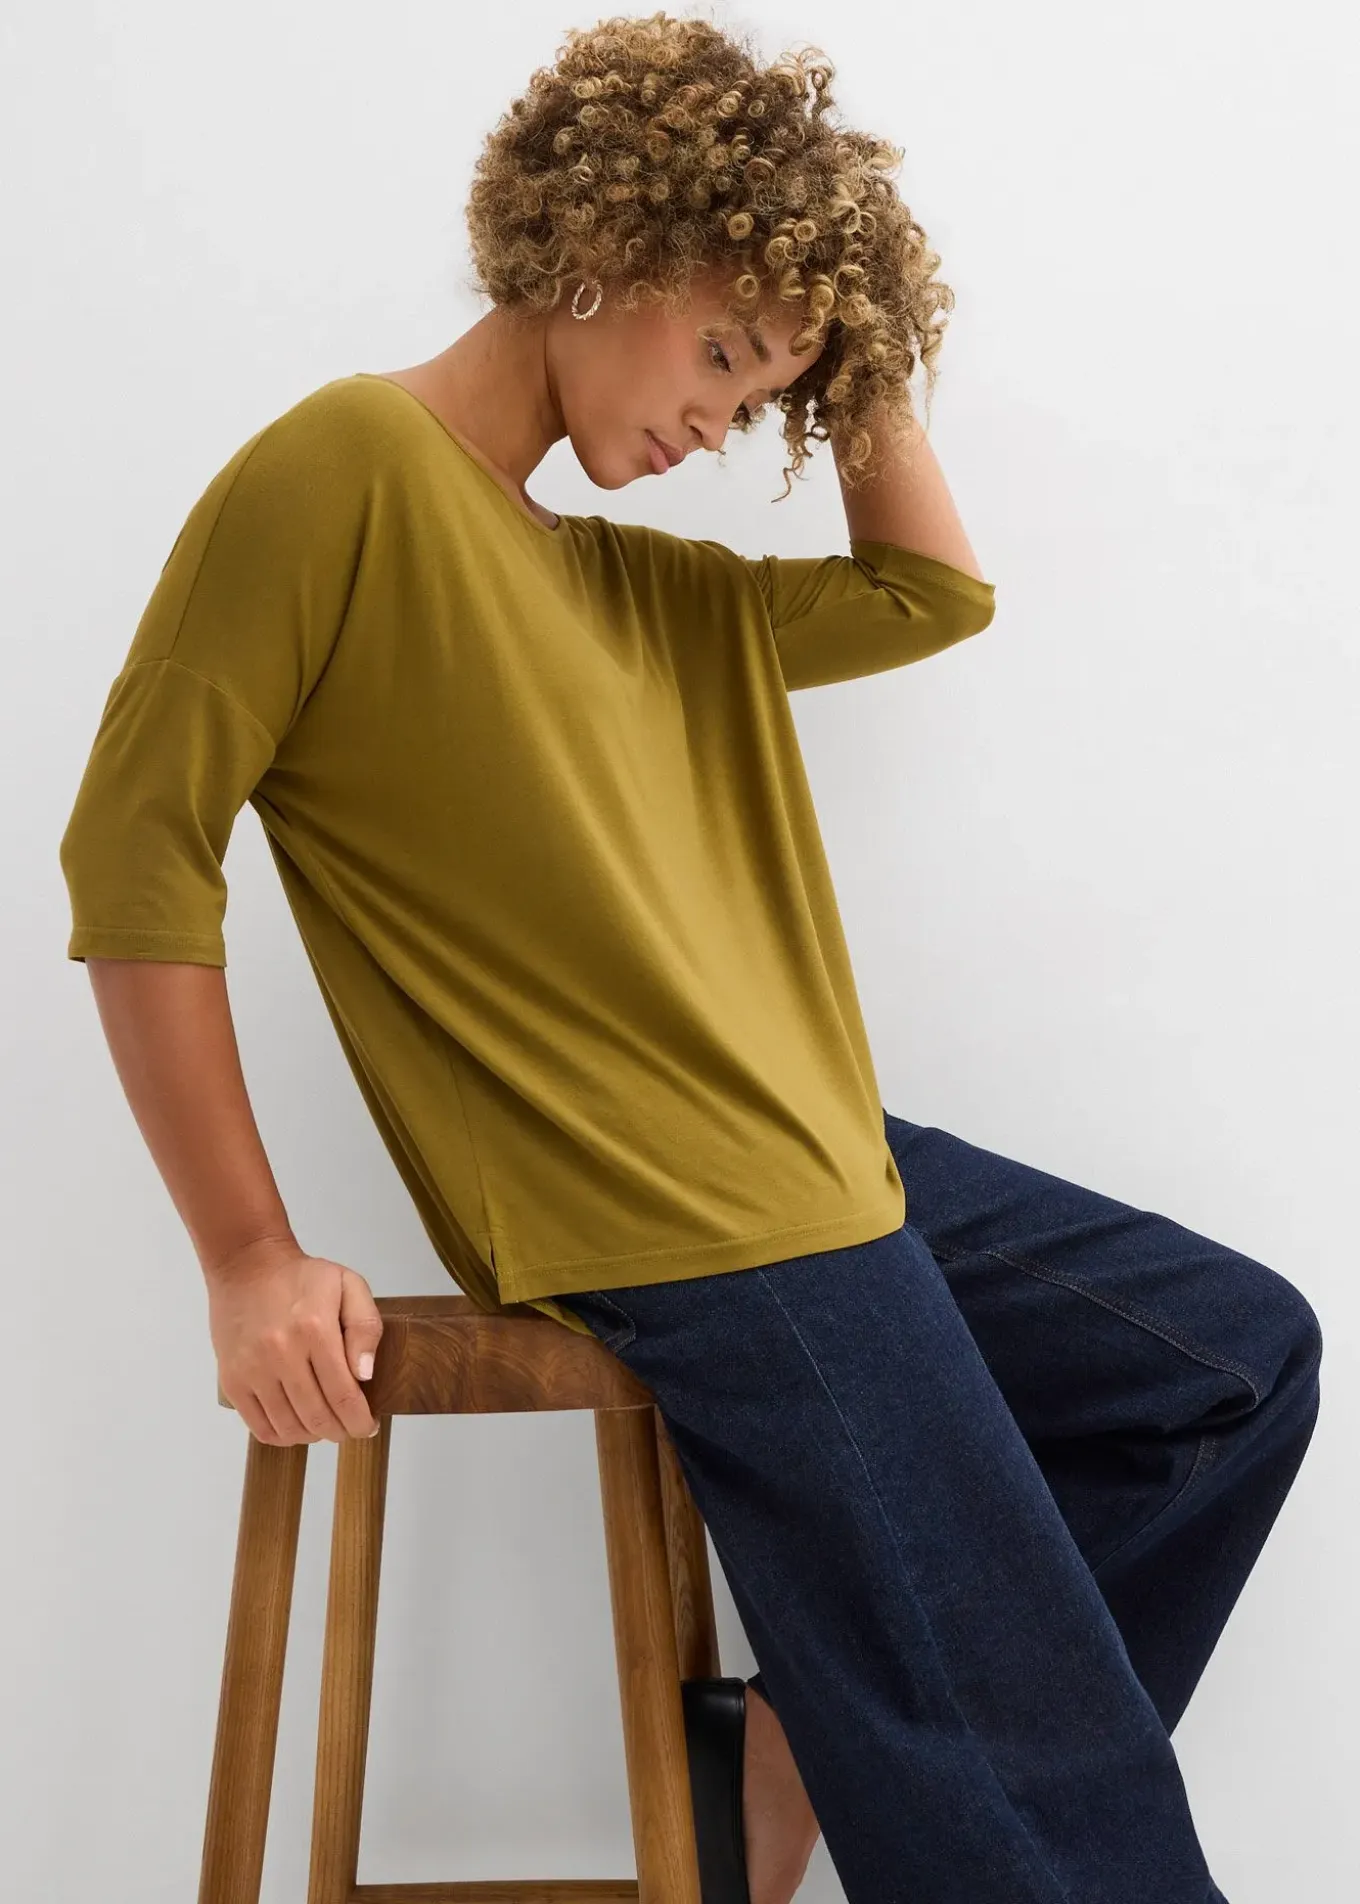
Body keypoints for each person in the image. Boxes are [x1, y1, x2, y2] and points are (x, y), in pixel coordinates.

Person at [58, 14, 1322, 1904]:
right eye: (721, 350)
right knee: (1033, 1769)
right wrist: (245, 1255)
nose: (720, 424)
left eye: (766, 394)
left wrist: (848, 339)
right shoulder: (345, 469)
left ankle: (800, 1744)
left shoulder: (635, 587)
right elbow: (135, 850)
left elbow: (930, 594)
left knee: (1226, 1365)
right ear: (602, 243)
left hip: (821, 1161)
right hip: (658, 1203)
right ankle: (911, 1776)